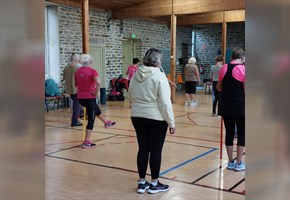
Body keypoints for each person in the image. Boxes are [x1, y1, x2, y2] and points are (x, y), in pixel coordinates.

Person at [128, 48, 175, 194]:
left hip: (137, 116)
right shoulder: (160, 76)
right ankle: (154, 183)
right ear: (157, 61)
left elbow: (130, 94)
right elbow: (165, 103)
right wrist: (171, 122)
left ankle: (142, 182)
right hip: (155, 118)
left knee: (143, 148)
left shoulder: (136, 74)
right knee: (155, 150)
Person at [216, 47, 245, 171]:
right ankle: (239, 163)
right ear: (242, 57)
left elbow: (218, 87)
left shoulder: (224, 68)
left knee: (229, 133)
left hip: (225, 104)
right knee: (242, 133)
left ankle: (230, 161)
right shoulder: (243, 69)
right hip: (240, 105)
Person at [74, 54, 101, 147]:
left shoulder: (77, 72)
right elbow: (98, 82)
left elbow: (76, 85)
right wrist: (95, 93)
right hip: (90, 98)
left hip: (80, 98)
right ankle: (86, 140)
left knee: (95, 110)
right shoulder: (93, 71)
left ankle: (106, 122)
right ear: (90, 62)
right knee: (91, 119)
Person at [62, 53, 83, 127]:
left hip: (70, 88)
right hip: (77, 88)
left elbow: (63, 79)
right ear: (77, 59)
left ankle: (81, 113)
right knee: (77, 105)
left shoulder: (66, 67)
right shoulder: (79, 67)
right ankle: (74, 121)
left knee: (77, 103)